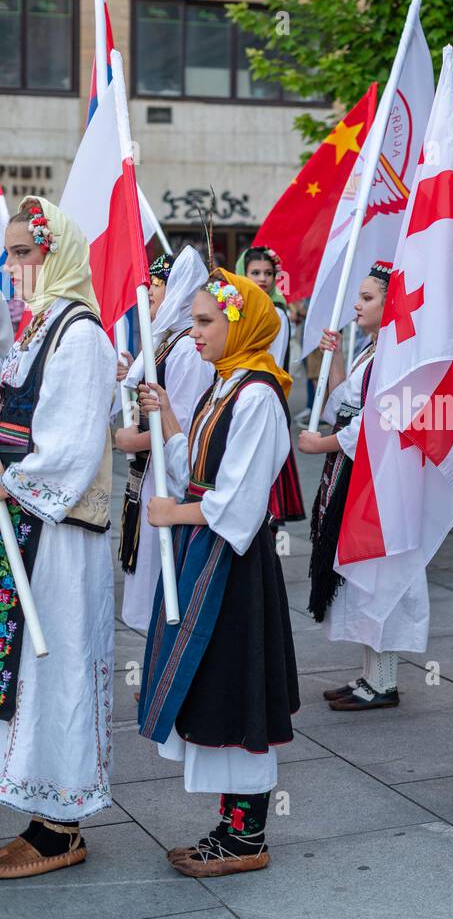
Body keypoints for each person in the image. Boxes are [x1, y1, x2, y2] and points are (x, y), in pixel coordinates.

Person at [136, 269, 299, 876]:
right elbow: (194, 468)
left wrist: (172, 513)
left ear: (239, 324)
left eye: (206, 321)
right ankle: (232, 827)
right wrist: (170, 414)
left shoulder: (255, 395)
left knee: (235, 685)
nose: (194, 331)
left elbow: (239, 501)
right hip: (205, 551)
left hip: (232, 564)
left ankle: (247, 836)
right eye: (195, 320)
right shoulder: (224, 386)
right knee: (217, 685)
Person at [0, 198, 116, 878]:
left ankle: (60, 825)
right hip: (25, 525)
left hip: (59, 534)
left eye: (25, 253)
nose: (15, 266)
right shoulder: (36, 327)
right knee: (30, 673)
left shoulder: (81, 333)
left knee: (60, 664)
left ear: (56, 254)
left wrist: (13, 478)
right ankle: (40, 810)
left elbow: (70, 446)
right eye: (10, 253)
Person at [298, 261, 428, 710]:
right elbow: (344, 402)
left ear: (389, 305)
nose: (357, 304)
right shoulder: (372, 351)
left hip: (379, 479)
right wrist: (333, 359)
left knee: (381, 573)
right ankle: (371, 675)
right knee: (361, 572)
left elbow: (375, 424)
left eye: (368, 298)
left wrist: (320, 445)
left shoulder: (397, 355)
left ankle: (384, 682)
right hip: (358, 474)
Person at [115, 248, 213, 634]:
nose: (151, 291)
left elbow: (184, 427)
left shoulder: (188, 347)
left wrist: (132, 441)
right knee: (152, 579)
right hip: (151, 472)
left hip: (170, 475)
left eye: (159, 283)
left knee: (166, 578)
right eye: (151, 283)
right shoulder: (167, 339)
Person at [237, 245, 305, 523]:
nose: (262, 279)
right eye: (255, 272)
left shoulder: (275, 312)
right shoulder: (239, 308)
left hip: (262, 398)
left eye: (268, 273)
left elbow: (271, 364)